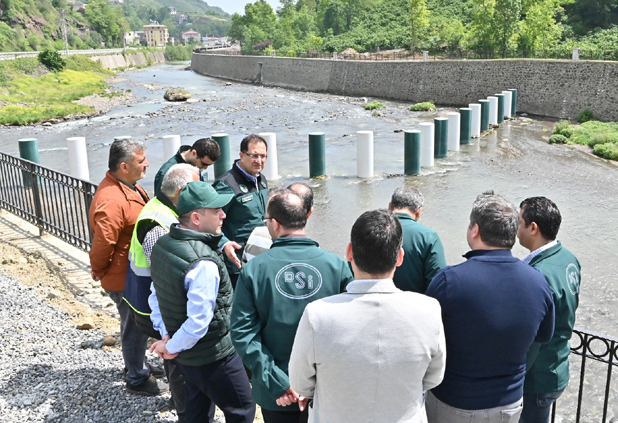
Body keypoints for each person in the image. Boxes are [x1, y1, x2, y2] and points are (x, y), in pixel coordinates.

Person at [289, 209, 447, 423]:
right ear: (400, 256)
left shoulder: (318, 314)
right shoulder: (428, 310)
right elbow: (433, 378)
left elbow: (300, 384)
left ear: (349, 252)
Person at [425, 191, 555, 423]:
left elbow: (426, 339)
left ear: (475, 230)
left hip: (454, 401)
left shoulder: (448, 281)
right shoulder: (538, 282)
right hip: (509, 403)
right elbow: (543, 336)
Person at [230, 188, 353, 423]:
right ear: (306, 217)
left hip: (276, 394)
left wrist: (278, 382)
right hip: (325, 392)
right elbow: (352, 327)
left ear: (275, 224)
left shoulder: (253, 270)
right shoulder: (338, 266)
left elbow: (243, 333)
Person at [148, 181, 256, 423]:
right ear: (196, 218)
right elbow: (199, 322)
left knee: (196, 409)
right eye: (217, 211)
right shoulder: (203, 263)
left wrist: (167, 337)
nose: (223, 215)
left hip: (184, 354)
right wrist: (171, 346)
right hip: (214, 355)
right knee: (243, 407)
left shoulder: (163, 244)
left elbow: (156, 295)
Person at [89, 138, 168, 396]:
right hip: (123, 276)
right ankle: (137, 378)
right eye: (141, 160)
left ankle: (137, 366)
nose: (147, 164)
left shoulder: (128, 187)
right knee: (134, 327)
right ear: (123, 166)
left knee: (133, 324)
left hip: (131, 274)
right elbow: (104, 242)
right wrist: (99, 270)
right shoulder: (111, 199)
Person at [126, 164, 197, 416]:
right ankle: (182, 407)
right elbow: (163, 273)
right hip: (152, 305)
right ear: (181, 191)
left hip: (148, 301)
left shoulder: (164, 208)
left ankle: (181, 401)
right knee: (175, 356)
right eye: (195, 188)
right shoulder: (156, 222)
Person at [516, 197, 581, 423]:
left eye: (519, 221)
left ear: (533, 227)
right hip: (557, 365)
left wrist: (514, 376)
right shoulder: (568, 259)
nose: (516, 228)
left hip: (537, 377)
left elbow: (532, 337)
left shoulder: (538, 274)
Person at [214, 134, 269, 287]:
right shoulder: (226, 185)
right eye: (254, 155)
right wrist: (224, 244)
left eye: (263, 156)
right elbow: (209, 221)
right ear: (241, 155)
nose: (259, 161)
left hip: (261, 257)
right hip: (237, 263)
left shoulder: (261, 180)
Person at [387, 185, 446, 293]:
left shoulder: (370, 230)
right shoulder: (429, 237)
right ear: (418, 211)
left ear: (389, 206)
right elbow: (438, 283)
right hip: (415, 307)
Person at [153, 138, 220, 196]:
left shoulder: (197, 165)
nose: (205, 168)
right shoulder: (166, 173)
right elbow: (161, 203)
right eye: (204, 164)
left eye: (209, 165)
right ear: (194, 153)